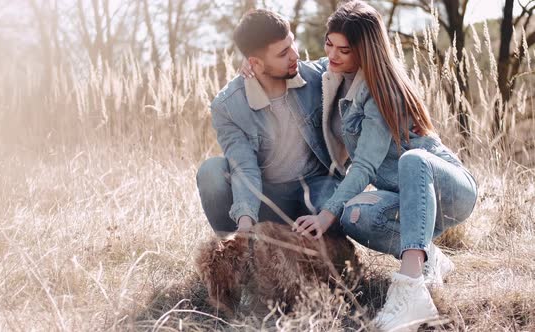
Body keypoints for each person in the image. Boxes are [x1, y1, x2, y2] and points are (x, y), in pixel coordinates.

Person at [290, 1, 478, 331]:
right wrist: (253, 68)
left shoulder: (382, 92)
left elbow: (362, 167)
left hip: (447, 189)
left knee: (413, 159)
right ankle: (429, 257)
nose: (333, 55)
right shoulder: (337, 73)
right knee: (355, 216)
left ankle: (410, 290)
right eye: (328, 44)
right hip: (404, 196)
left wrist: (325, 212)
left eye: (344, 50)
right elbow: (300, 69)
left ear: (364, 52)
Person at [196, 9, 349, 236]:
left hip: (316, 186)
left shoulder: (319, 75)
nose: (295, 55)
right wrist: (245, 221)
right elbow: (243, 166)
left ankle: (329, 255)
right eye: (283, 53)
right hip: (267, 197)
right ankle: (234, 254)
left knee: (334, 207)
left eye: (292, 43)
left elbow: (364, 60)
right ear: (255, 64)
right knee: (211, 171)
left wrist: (407, 114)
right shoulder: (228, 105)